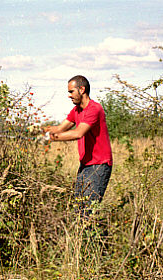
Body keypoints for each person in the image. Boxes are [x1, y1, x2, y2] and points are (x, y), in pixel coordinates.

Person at [45, 75, 113, 218]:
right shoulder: (76, 111)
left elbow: (78, 133)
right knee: (79, 209)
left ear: (82, 89)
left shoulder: (94, 109)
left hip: (99, 166)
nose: (69, 95)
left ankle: (96, 239)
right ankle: (86, 239)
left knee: (88, 213)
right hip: (85, 165)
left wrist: (50, 138)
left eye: (71, 91)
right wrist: (37, 130)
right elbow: (60, 128)